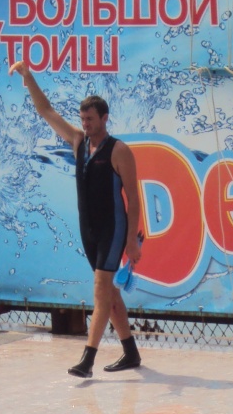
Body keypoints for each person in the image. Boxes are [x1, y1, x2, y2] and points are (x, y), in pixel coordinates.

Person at [12, 61, 143, 377]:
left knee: (100, 290)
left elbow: (134, 198)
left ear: (104, 118)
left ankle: (87, 360)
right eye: (82, 119)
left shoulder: (119, 151)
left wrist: (131, 241)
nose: (85, 124)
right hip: (89, 231)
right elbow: (46, 111)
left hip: (113, 230)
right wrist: (29, 78)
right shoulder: (78, 142)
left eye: (90, 119)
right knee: (110, 293)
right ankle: (131, 352)